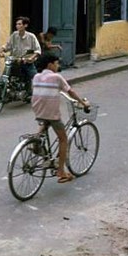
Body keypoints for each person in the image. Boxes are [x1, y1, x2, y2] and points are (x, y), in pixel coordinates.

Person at [31, 53, 89, 184]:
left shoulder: (36, 76)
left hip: (38, 110)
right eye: (56, 63)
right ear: (50, 64)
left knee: (45, 121)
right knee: (63, 139)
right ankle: (61, 172)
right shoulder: (57, 77)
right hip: (52, 114)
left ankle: (36, 140)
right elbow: (70, 92)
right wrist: (82, 102)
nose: (57, 66)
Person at [0, 16, 41, 88]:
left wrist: (31, 58)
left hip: (26, 62)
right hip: (14, 61)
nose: (17, 26)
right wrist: (0, 51)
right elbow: (8, 45)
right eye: (17, 24)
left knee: (36, 78)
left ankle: (35, 94)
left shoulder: (31, 36)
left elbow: (37, 50)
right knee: (5, 76)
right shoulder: (14, 35)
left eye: (20, 24)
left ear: (25, 25)